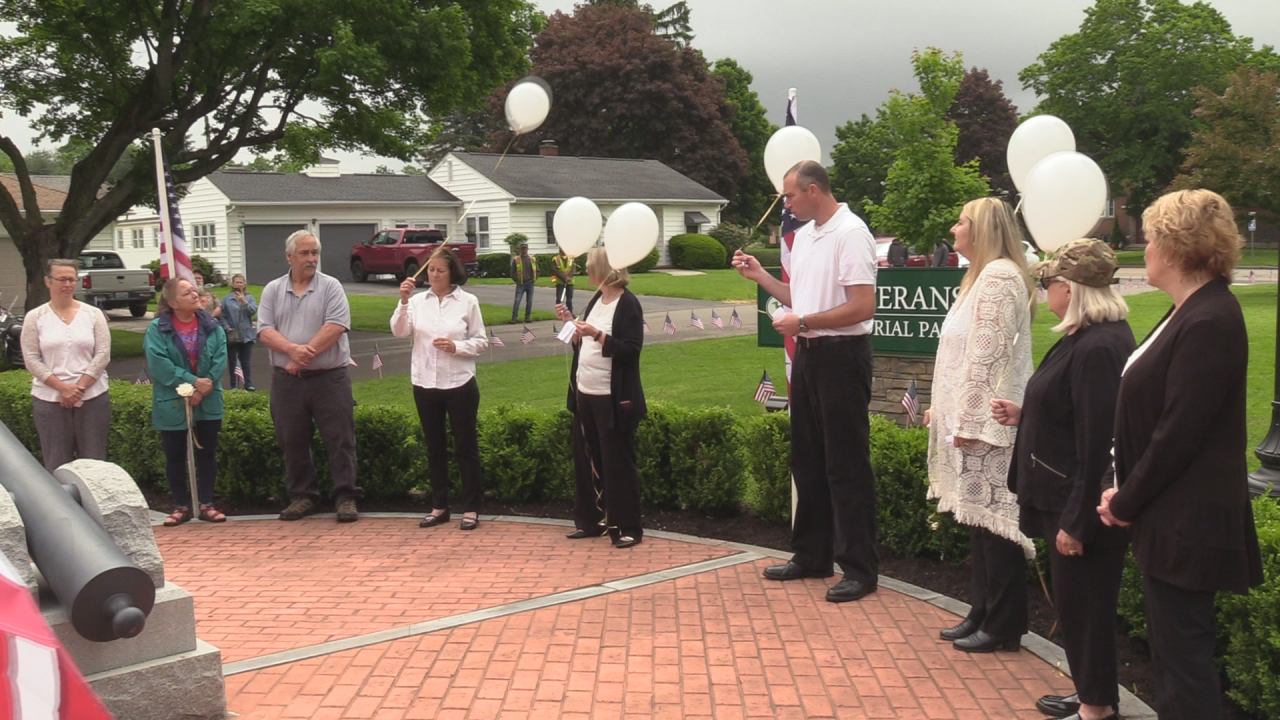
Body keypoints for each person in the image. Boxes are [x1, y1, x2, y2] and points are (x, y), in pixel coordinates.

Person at [1097, 189, 1263, 720]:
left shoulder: (1210, 318)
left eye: (1150, 239)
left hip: (1187, 522)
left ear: (1174, 248)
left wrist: (1125, 501)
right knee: (1173, 662)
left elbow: (1178, 434)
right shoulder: (1186, 311)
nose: (1143, 249)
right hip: (1169, 519)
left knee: (1185, 669)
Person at [991, 239, 1134, 720]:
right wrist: (1028, 414)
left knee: (1086, 607)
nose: (1044, 290)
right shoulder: (1086, 338)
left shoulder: (1098, 348)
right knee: (1077, 606)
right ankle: (1092, 691)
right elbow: (1074, 412)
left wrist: (1076, 521)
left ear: (1069, 289)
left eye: (1048, 282)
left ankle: (1096, 707)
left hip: (1076, 504)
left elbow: (1099, 443)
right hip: (1062, 495)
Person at [732, 160, 879, 603]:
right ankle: (811, 555)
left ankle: (859, 568)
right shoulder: (809, 235)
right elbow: (802, 298)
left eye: (790, 195)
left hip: (842, 357)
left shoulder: (851, 233)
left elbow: (862, 307)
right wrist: (761, 277)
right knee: (808, 459)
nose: (786, 203)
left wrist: (806, 323)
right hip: (811, 357)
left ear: (814, 190)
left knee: (845, 464)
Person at [925, 197, 1034, 652]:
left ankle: (1004, 623)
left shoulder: (1000, 276)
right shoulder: (977, 278)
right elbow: (959, 356)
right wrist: (944, 408)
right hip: (969, 421)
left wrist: (968, 418)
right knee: (979, 525)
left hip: (988, 424)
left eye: (962, 221)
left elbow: (989, 357)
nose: (953, 229)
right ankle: (982, 609)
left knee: (995, 524)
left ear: (984, 230)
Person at [258, 230, 363, 523]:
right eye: (305, 253)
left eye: (315, 253)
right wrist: (293, 352)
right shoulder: (272, 290)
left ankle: (345, 496)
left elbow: (337, 325)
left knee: (340, 439)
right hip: (287, 382)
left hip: (330, 379)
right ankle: (302, 496)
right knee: (291, 439)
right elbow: (264, 330)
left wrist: (305, 354)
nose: (311, 259)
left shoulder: (331, 287)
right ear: (289, 256)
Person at [391, 247, 488, 531]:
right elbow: (398, 330)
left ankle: (471, 508)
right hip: (425, 382)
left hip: (459, 382)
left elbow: (481, 341)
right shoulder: (418, 301)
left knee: (465, 447)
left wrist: (456, 347)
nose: (434, 275)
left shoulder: (467, 301)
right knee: (435, 448)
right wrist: (404, 301)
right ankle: (439, 506)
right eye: (430, 270)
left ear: (451, 273)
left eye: (440, 270)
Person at [558, 247, 646, 548]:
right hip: (585, 390)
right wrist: (573, 323)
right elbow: (585, 343)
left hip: (613, 396)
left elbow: (630, 350)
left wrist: (596, 334)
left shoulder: (628, 304)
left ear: (605, 269)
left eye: (589, 266)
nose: (584, 270)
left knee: (617, 462)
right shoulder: (596, 298)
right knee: (586, 459)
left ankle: (626, 526)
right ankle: (591, 520)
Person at [144, 277, 227, 526]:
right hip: (172, 400)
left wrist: (203, 388)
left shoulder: (213, 327)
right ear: (172, 302)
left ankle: (207, 504)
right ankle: (180, 505)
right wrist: (190, 383)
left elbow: (219, 359)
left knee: (207, 452)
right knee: (175, 454)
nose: (194, 294)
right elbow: (158, 364)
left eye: (194, 290)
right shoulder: (158, 329)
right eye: (187, 292)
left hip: (208, 399)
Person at [20, 259, 112, 473]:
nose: (68, 284)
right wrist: (63, 388)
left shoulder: (93, 315)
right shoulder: (35, 317)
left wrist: (79, 388)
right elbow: (32, 358)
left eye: (72, 279)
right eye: (62, 279)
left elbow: (102, 354)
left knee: (95, 461)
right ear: (48, 281)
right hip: (50, 399)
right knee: (56, 462)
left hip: (92, 397)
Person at [220, 274, 258, 391]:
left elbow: (253, 311)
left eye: (241, 282)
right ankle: (233, 385)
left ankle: (248, 384)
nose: (239, 284)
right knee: (232, 361)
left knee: (245, 361)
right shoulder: (226, 299)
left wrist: (243, 301)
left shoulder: (250, 298)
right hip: (233, 334)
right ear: (232, 284)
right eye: (236, 282)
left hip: (247, 335)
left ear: (245, 284)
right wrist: (227, 327)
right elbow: (222, 315)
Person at [510, 243, 537, 323]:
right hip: (521, 283)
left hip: (530, 283)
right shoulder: (516, 259)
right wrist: (517, 280)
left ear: (527, 249)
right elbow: (512, 272)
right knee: (517, 301)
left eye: (525, 248)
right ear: (520, 249)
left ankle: (527, 317)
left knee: (529, 301)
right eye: (522, 248)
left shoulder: (532, 259)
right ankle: (514, 318)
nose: (524, 250)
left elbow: (537, 270)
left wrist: (534, 278)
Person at [552, 247, 575, 315]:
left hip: (570, 282)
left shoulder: (571, 258)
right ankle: (559, 313)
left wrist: (569, 277)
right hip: (560, 282)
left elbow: (573, 269)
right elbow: (555, 270)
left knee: (569, 299)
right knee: (559, 298)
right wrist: (564, 278)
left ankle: (570, 312)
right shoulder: (555, 259)